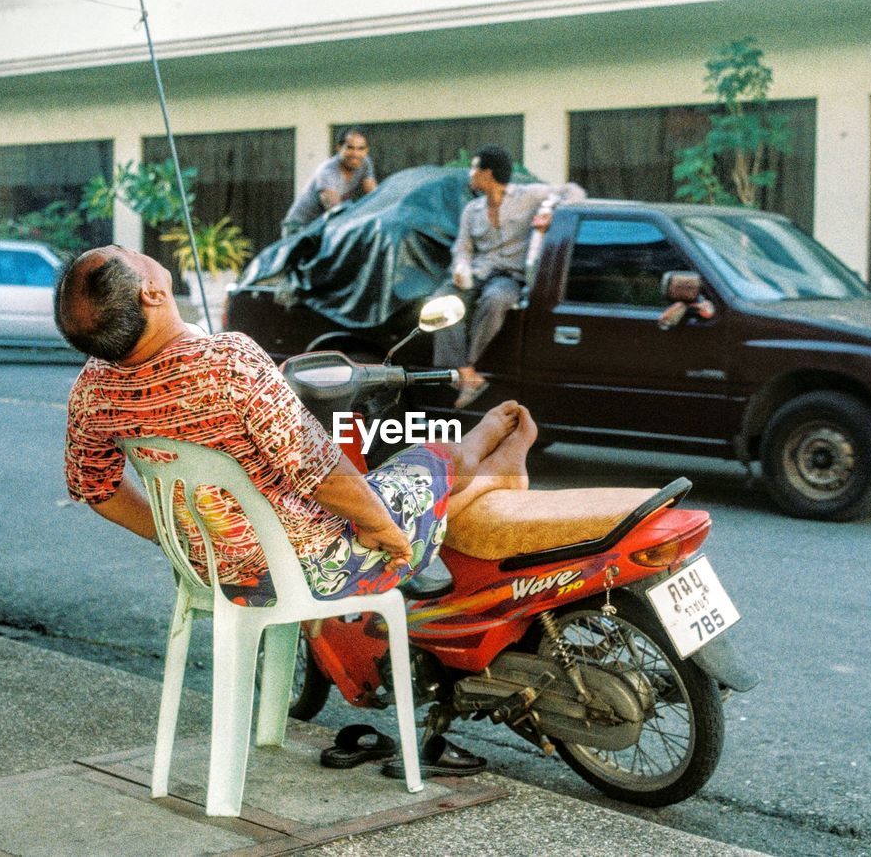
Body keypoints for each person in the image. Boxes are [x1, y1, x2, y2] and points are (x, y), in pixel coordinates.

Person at [54, 245, 538, 606]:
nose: (140, 252)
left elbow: (94, 489)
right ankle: (497, 449)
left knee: (381, 490)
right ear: (152, 292)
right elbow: (320, 473)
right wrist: (383, 529)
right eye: (128, 252)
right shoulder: (228, 361)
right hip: (315, 568)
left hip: (219, 579)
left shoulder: (92, 390)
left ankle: (491, 461)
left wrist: (177, 537)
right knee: (431, 457)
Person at [433, 144, 586, 408]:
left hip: (509, 276)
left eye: (474, 168)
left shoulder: (529, 195)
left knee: (497, 300)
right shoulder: (472, 210)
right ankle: (465, 373)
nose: (470, 174)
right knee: (441, 301)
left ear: (487, 173)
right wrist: (461, 268)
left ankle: (469, 366)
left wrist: (553, 210)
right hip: (478, 272)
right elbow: (462, 249)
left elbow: (575, 191)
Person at [283, 128, 378, 235]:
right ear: (338, 148)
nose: (355, 154)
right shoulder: (328, 171)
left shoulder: (364, 163)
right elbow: (336, 210)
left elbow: (375, 197)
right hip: (300, 227)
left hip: (323, 226)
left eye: (361, 148)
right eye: (350, 148)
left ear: (367, 150)